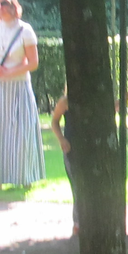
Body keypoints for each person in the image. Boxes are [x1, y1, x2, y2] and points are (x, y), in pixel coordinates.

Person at [0, 0, 45, 189]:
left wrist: (10, 72)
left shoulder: (25, 30)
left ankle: (25, 178)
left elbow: (33, 63)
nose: (0, 7)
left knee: (21, 135)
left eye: (4, 3)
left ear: (13, 4)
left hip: (19, 88)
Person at [49, 85, 76, 234]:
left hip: (92, 149)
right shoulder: (65, 102)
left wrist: (121, 102)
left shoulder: (95, 100)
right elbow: (54, 121)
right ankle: (78, 224)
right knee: (77, 187)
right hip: (72, 149)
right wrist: (61, 139)